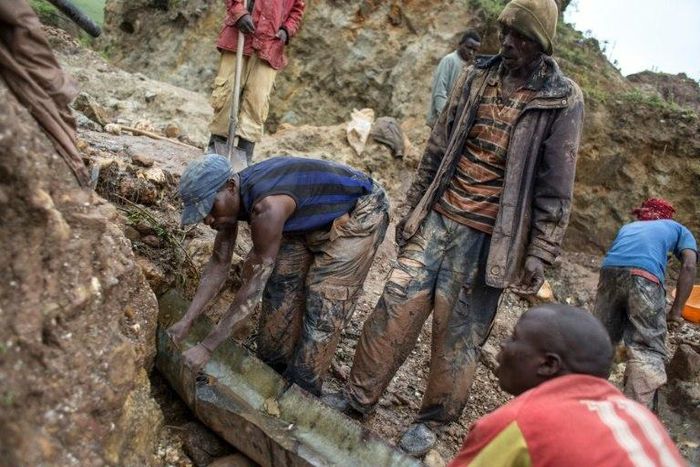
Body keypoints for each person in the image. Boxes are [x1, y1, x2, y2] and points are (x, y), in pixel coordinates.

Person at [323, 0, 584, 456]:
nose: (507, 43)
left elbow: (556, 185)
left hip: (489, 241)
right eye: (505, 32)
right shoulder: (476, 75)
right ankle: (357, 397)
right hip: (439, 218)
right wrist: (413, 208)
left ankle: (431, 422)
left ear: (540, 43)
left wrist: (540, 253)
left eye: (520, 37)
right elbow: (437, 146)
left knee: (458, 336)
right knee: (392, 309)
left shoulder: (561, 98)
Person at [167, 154, 389, 396]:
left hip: (360, 207)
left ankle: (303, 391)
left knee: (323, 303)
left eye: (210, 207)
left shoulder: (267, 209)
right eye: (202, 214)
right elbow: (219, 263)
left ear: (230, 186)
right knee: (281, 287)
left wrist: (207, 347)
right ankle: (271, 373)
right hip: (307, 211)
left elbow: (253, 287)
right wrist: (187, 319)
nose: (208, 219)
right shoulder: (231, 204)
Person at [448, 304, 685, 467]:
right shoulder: (640, 415)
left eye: (513, 338)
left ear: (549, 364)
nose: (502, 345)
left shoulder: (522, 421)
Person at [594, 198, 697, 409]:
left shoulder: (629, 226)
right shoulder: (679, 229)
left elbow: (628, 256)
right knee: (647, 349)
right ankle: (635, 416)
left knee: (602, 340)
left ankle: (590, 402)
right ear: (668, 216)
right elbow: (688, 266)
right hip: (644, 277)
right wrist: (676, 311)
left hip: (609, 272)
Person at [207, 0, 306, 161]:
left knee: (257, 103)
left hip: (271, 46)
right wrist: (239, 13)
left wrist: (287, 30)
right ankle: (214, 150)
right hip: (238, 36)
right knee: (227, 94)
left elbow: (297, 9)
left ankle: (243, 157)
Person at [426, 30, 481, 127]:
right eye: (468, 47)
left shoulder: (470, 67)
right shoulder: (449, 60)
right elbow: (440, 92)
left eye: (475, 50)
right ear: (460, 44)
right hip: (442, 121)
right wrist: (446, 119)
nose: (471, 52)